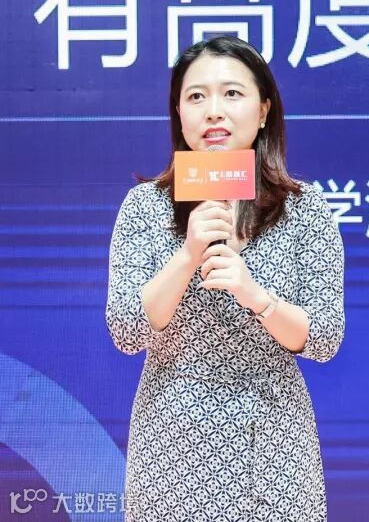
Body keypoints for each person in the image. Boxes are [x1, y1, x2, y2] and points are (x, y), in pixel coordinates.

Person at [105, 35, 345, 521]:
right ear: (179, 113)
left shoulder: (304, 208)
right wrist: (187, 255)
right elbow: (126, 332)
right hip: (172, 444)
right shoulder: (145, 207)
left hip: (273, 442)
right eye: (197, 96)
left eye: (232, 93)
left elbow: (324, 338)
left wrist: (256, 296)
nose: (214, 111)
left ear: (263, 110)